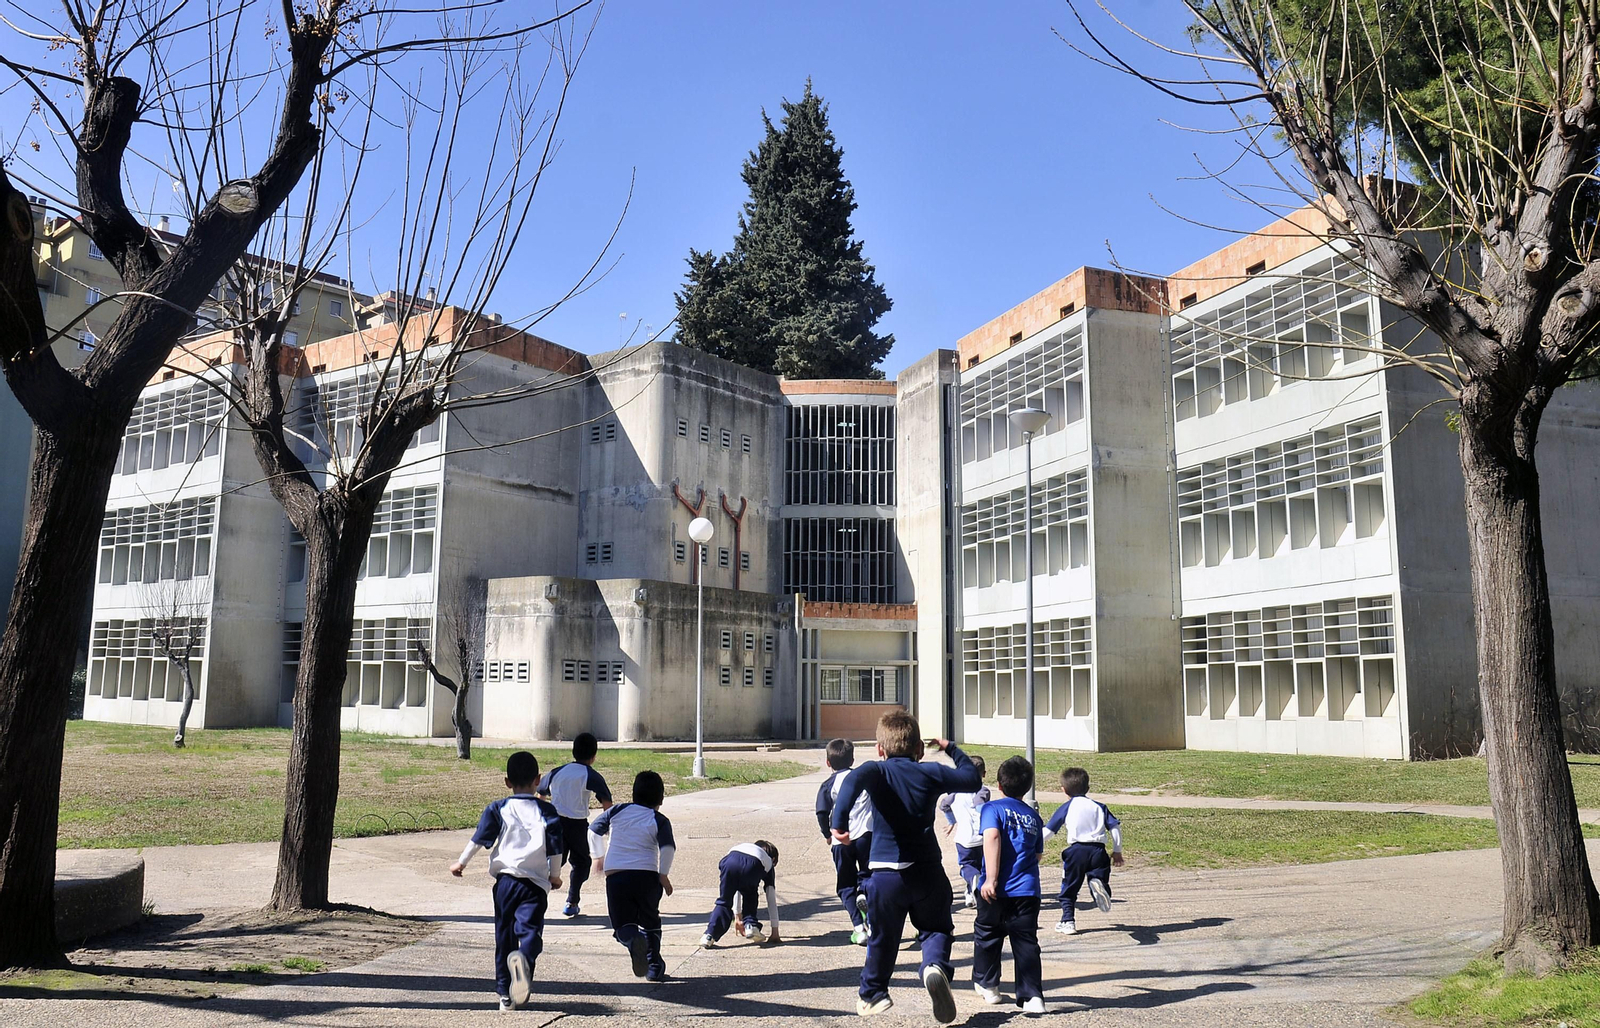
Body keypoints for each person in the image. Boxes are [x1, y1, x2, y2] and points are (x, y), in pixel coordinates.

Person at [831, 710, 982, 1022]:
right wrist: (950, 747)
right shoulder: (930, 772)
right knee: (936, 927)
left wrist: (838, 821)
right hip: (927, 871)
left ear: (880, 749)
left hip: (885, 875)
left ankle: (873, 994)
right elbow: (971, 778)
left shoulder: (876, 770)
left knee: (883, 937)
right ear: (919, 749)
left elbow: (850, 783)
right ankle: (934, 966)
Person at [449, 750, 565, 1012]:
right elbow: (556, 847)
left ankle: (505, 994)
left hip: (505, 883)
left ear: (507, 782)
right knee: (530, 933)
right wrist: (555, 876)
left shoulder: (498, 808)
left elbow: (479, 838)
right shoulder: (547, 810)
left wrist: (461, 862)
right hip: (534, 885)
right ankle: (524, 960)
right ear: (538, 780)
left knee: (504, 937)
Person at [973, 756, 1045, 1014]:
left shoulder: (992, 809)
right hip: (1027, 890)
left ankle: (989, 985)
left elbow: (991, 836)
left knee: (988, 935)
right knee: (1026, 943)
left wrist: (991, 878)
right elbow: (1037, 855)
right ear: (1027, 787)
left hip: (996, 889)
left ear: (999, 785)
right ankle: (1033, 996)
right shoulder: (1033, 817)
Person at [588, 770, 675, 981]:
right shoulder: (659, 819)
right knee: (650, 921)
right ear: (661, 799)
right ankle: (654, 966)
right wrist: (663, 875)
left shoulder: (617, 811)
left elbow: (593, 830)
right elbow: (668, 848)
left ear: (633, 794)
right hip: (647, 877)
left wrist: (598, 857)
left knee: (622, 926)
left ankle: (631, 939)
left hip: (616, 877)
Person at [537, 732, 614, 917]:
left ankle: (536, 899)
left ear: (573, 751)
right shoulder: (590, 775)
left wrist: (542, 817)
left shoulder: (557, 771)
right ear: (593, 756)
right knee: (582, 863)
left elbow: (540, 793)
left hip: (555, 824)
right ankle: (572, 901)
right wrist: (607, 827)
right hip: (578, 826)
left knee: (555, 861)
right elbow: (607, 802)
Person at [1042, 766, 1123, 935]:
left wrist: (1033, 841)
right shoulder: (1099, 806)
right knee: (1100, 878)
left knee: (1069, 887)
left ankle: (1068, 921)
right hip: (1098, 851)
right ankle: (1098, 885)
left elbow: (1048, 833)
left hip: (1076, 851)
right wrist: (1117, 851)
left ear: (1064, 790)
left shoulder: (1067, 807)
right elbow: (1115, 828)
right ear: (1088, 788)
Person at [816, 737, 874, 944]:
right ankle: (867, 901)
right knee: (868, 877)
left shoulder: (828, 784)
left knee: (845, 885)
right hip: (867, 835)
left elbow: (822, 812)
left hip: (842, 839)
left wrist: (827, 834)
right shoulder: (864, 779)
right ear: (853, 759)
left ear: (828, 763)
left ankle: (859, 928)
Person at [698, 840, 782, 947]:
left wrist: (738, 917)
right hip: (753, 866)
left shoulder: (745, 847)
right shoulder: (768, 861)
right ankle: (750, 926)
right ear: (773, 859)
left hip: (729, 862)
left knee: (724, 901)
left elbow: (737, 888)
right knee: (751, 894)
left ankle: (709, 935)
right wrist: (775, 932)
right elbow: (771, 899)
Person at [937, 755, 989, 909]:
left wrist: (952, 820)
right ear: (984, 774)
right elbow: (979, 804)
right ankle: (973, 891)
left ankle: (971, 890)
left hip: (963, 839)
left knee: (967, 866)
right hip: (982, 837)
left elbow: (943, 805)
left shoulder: (954, 793)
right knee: (979, 867)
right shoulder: (982, 790)